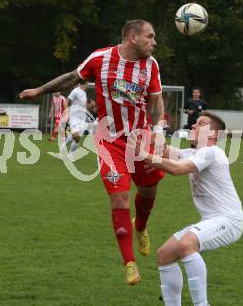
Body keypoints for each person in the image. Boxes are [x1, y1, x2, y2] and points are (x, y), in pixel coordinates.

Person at [19, 19, 166, 285]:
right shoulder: (100, 58)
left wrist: (158, 130)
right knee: (119, 200)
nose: (154, 42)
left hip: (141, 140)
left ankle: (141, 227)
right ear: (132, 37)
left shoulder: (151, 65)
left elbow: (156, 100)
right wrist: (39, 90)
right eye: (150, 37)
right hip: (110, 143)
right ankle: (129, 264)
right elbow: (72, 78)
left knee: (148, 191)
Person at [137, 111, 243, 306]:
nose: (193, 126)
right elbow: (163, 150)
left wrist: (143, 154)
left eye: (200, 124)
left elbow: (176, 169)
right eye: (194, 123)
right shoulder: (195, 153)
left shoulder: (212, 152)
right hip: (212, 220)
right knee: (165, 255)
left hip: (229, 220)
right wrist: (142, 133)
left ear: (212, 135)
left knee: (187, 244)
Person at [63, 82, 88, 153]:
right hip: (74, 117)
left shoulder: (84, 93)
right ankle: (66, 149)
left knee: (77, 137)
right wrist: (67, 114)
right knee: (76, 136)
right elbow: (66, 101)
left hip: (82, 118)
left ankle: (69, 152)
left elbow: (83, 106)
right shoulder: (75, 91)